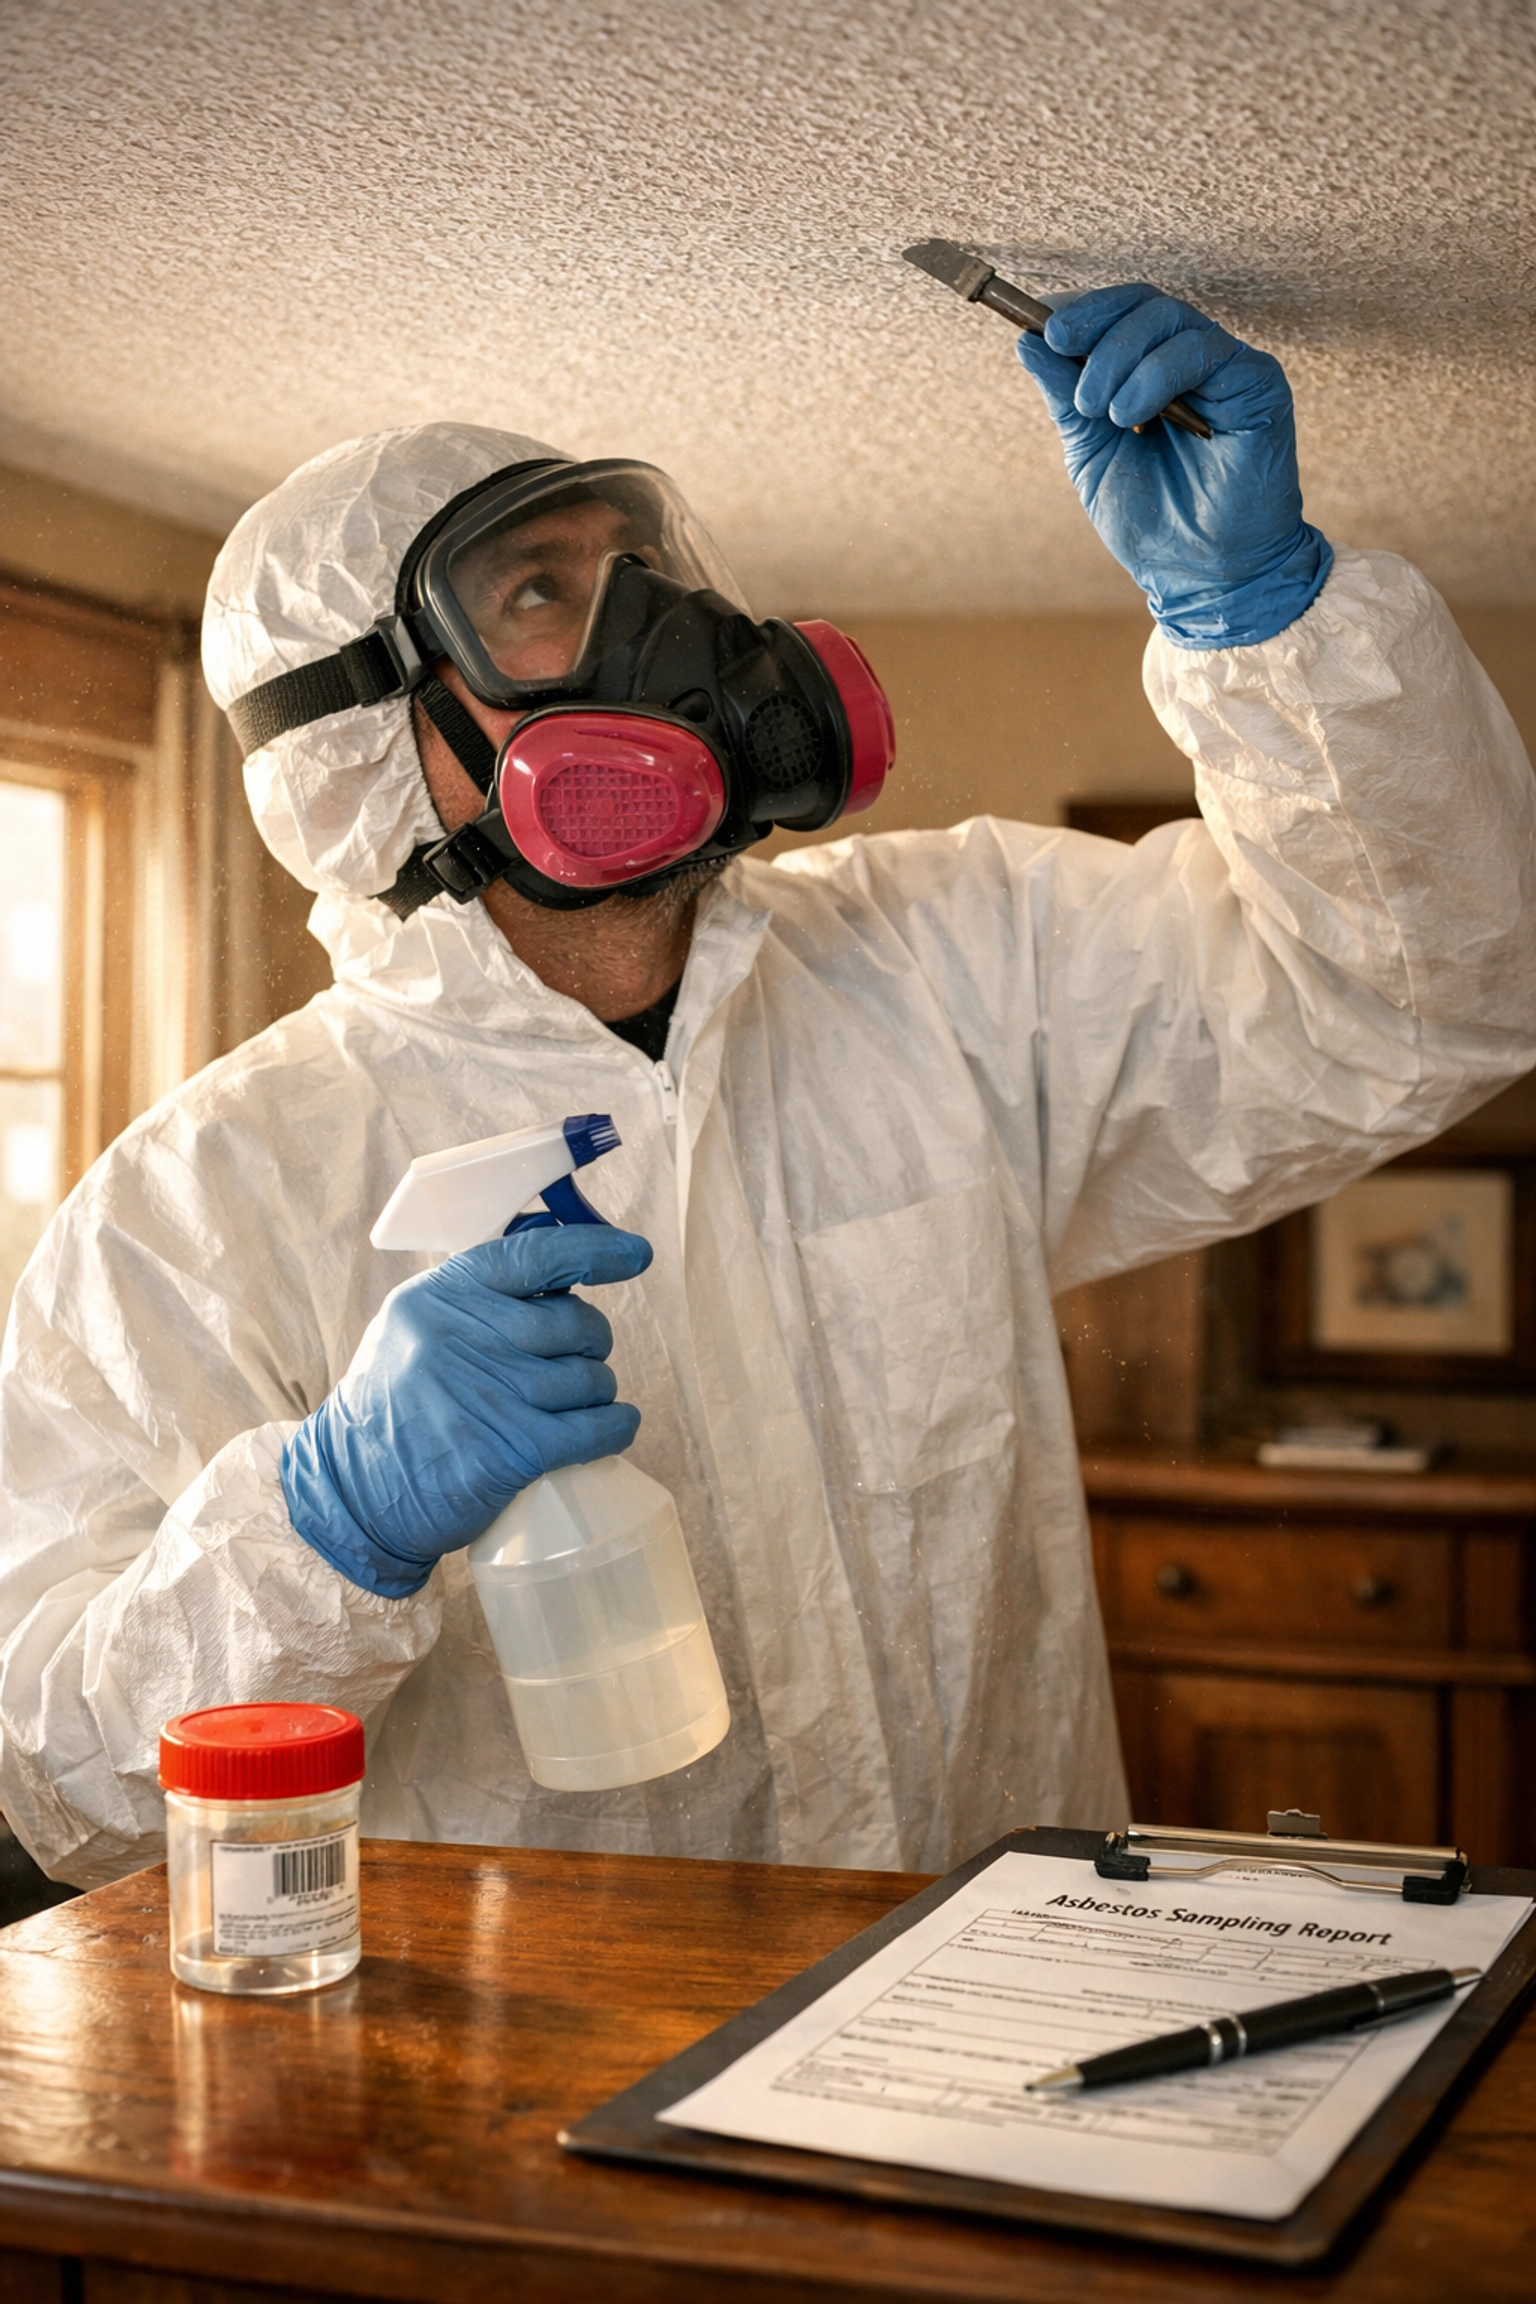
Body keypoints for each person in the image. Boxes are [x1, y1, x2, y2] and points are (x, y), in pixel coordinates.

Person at [2, 289, 1532, 1888]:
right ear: (368, 745)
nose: (663, 631)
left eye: (641, 564)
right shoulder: (198, 1205)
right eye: (543, 590)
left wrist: (1271, 631)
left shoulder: (952, 964)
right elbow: (64, 1788)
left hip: (982, 1996)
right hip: (523, 2088)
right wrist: (326, 1529)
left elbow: (1434, 998)